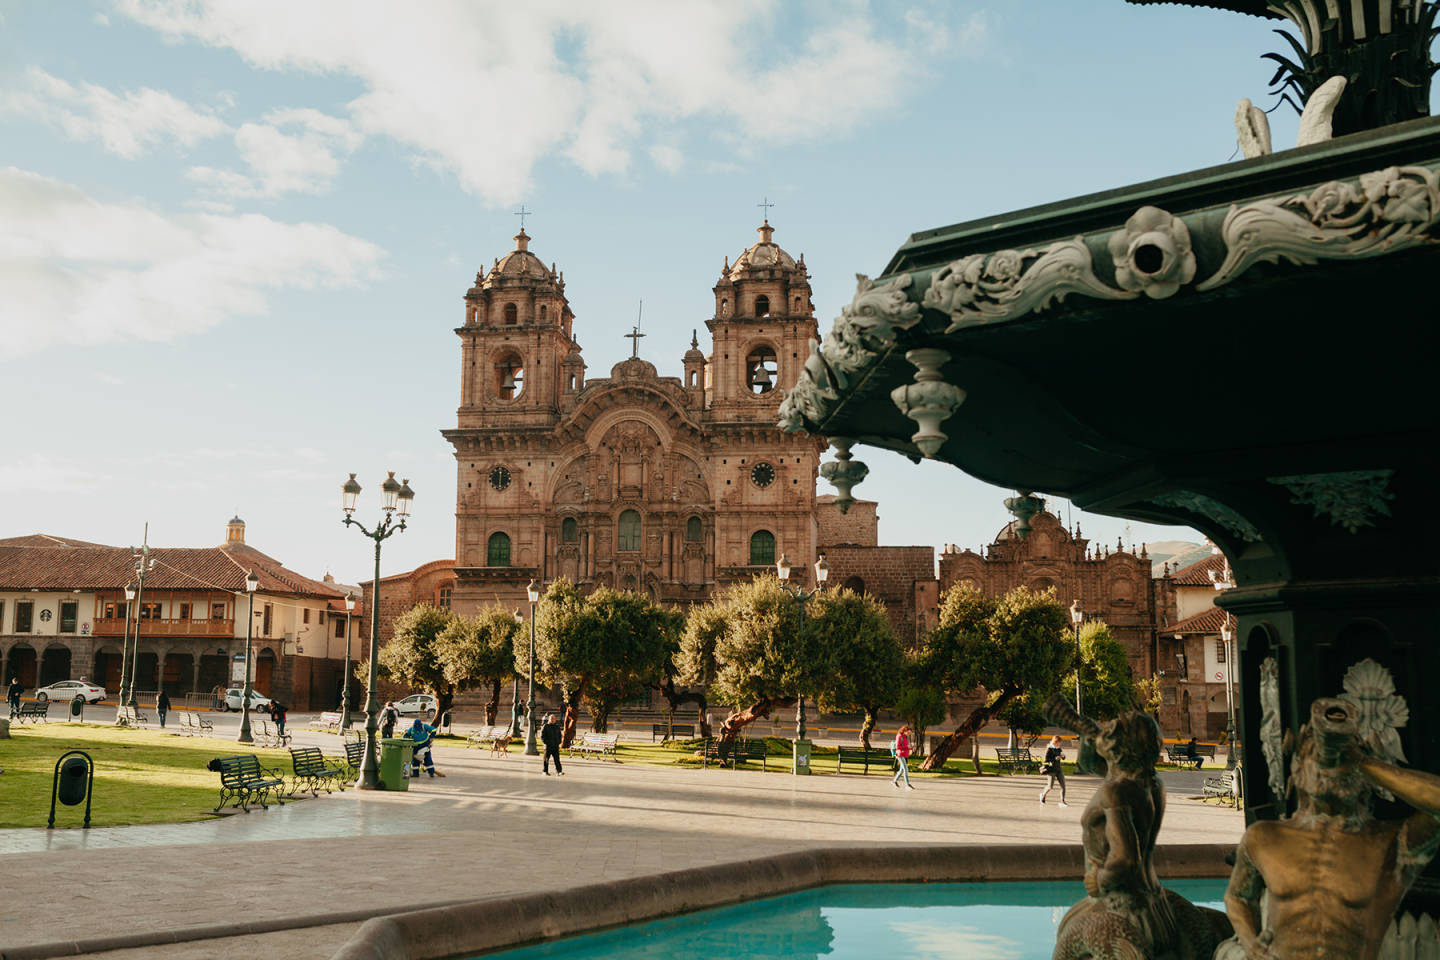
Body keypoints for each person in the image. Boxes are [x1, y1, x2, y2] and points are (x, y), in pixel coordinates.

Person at [1039, 734, 1068, 807]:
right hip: (1051, 769)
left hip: (1059, 769)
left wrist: (1063, 756)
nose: (1060, 744)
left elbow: (1063, 756)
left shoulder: (1059, 748)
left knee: (1063, 786)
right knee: (1050, 786)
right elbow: (1046, 760)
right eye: (1059, 742)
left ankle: (1062, 801)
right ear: (1055, 741)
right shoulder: (1049, 749)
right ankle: (1043, 794)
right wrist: (1055, 758)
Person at [891, 724, 914, 790]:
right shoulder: (899, 736)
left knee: (901, 770)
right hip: (900, 755)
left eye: (910, 733)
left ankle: (894, 781)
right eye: (908, 732)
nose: (909, 734)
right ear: (904, 731)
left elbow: (906, 746)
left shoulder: (905, 737)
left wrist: (910, 748)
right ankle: (907, 784)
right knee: (906, 769)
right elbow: (897, 747)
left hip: (905, 755)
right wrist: (907, 747)